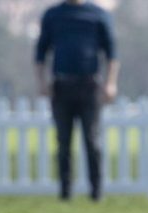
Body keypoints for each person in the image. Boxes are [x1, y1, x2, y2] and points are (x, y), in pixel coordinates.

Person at [35, 0, 119, 201]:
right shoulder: (53, 15)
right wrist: (42, 82)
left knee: (92, 140)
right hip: (62, 85)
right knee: (63, 141)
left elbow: (112, 53)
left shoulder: (98, 14)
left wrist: (110, 83)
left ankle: (96, 191)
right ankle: (65, 192)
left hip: (90, 85)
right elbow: (40, 53)